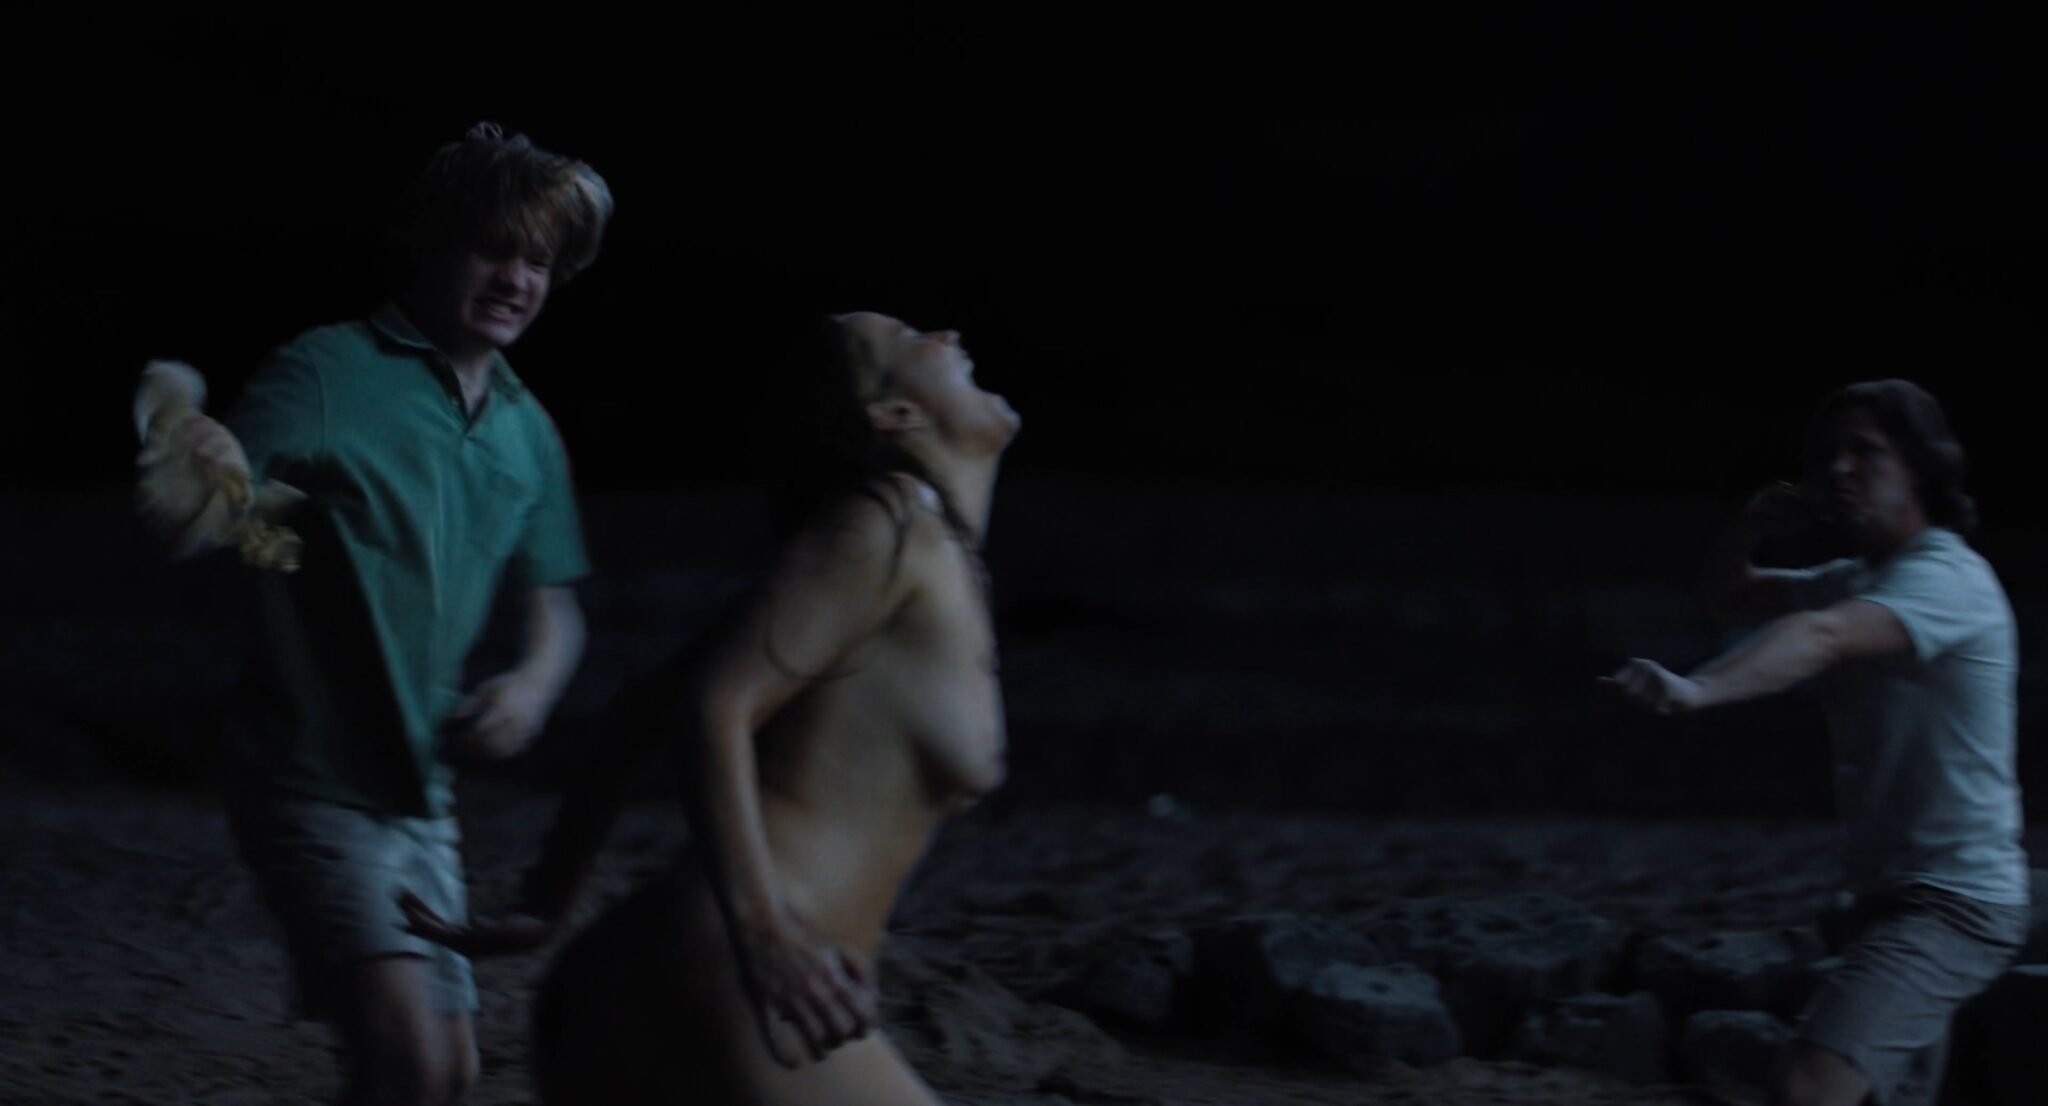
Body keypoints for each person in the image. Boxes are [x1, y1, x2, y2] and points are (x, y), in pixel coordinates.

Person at [406, 310, 1020, 1105]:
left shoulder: (919, 550)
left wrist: (546, 900)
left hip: (677, 977)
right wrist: (762, 932)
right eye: (912, 339)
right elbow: (716, 704)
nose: (948, 336)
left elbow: (636, 710)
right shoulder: (887, 522)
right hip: (736, 977)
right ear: (895, 413)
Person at [145, 121, 612, 1106]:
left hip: (421, 793)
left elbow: (558, 608)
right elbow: (211, 527)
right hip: (306, 772)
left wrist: (531, 684)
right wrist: (196, 476)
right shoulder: (325, 372)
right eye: (494, 249)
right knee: (407, 1064)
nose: (517, 278)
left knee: (450, 1072)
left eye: (537, 260)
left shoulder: (528, 428)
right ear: (431, 245)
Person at [1604, 379, 2029, 1106]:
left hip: (1953, 906)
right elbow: (1732, 597)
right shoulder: (1857, 578)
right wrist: (1751, 527)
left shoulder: (1948, 579)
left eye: (1865, 451)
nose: (1838, 468)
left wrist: (1699, 690)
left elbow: (1822, 634)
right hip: (1886, 893)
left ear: (1921, 466)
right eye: (1830, 453)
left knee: (1809, 1084)